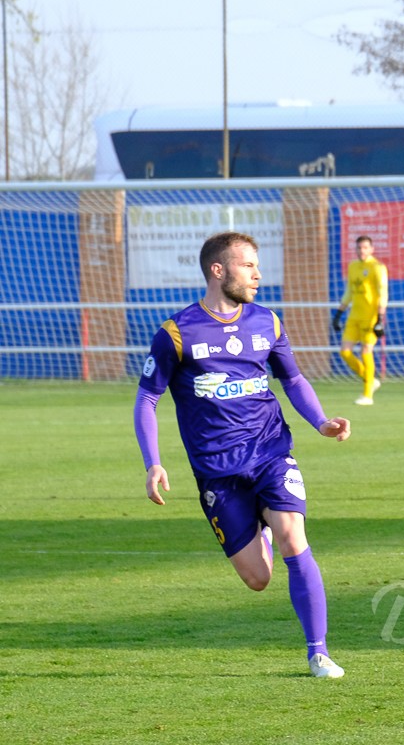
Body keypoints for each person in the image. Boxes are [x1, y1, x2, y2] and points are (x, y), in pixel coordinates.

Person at [134, 231, 352, 679]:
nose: (258, 274)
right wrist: (153, 462)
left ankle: (319, 652)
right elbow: (147, 400)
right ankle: (261, 532)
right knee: (258, 579)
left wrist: (321, 422)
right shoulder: (176, 333)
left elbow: (292, 380)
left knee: (294, 536)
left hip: (272, 452)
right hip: (218, 473)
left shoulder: (267, 323)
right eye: (249, 265)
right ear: (219, 270)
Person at [333, 235, 388, 406]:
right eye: (359, 248)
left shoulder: (377, 267)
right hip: (354, 316)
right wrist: (338, 313)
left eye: (365, 247)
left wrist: (379, 318)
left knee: (366, 351)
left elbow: (382, 293)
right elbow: (349, 291)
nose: (361, 251)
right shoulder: (353, 266)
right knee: (345, 352)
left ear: (371, 249)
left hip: (370, 317)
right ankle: (370, 379)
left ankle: (367, 395)